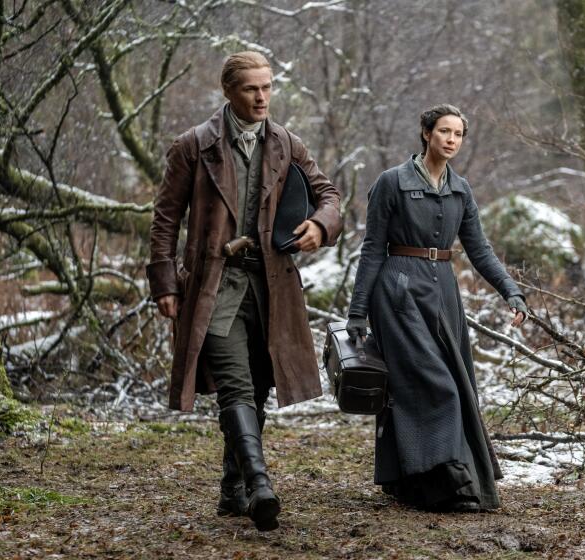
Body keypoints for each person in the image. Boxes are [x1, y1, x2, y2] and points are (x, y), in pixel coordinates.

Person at [147, 51, 343, 531]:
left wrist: (321, 226)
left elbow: (329, 196)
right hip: (214, 285)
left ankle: (231, 488)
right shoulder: (194, 145)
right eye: (252, 88)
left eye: (268, 87)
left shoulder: (287, 143)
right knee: (234, 383)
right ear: (229, 91)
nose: (262, 97)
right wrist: (164, 283)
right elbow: (165, 218)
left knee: (256, 387)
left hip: (272, 287)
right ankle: (259, 485)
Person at [346, 104, 527, 512]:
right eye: (444, 131)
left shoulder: (461, 189)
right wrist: (358, 312)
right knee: (433, 386)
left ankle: (414, 484)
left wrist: (511, 292)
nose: (451, 139)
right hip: (398, 292)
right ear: (426, 132)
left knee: (453, 386)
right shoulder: (391, 182)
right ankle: (449, 482)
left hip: (443, 294)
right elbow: (373, 248)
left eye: (458, 134)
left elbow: (480, 250)